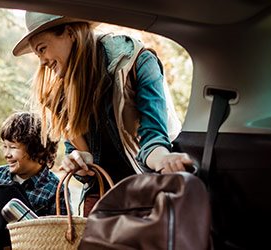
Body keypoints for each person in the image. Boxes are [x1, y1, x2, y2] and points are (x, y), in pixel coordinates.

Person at [12, 11, 194, 215]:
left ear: (70, 33)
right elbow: (80, 158)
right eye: (38, 56)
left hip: (145, 191)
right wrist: (77, 161)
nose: (43, 62)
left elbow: (154, 139)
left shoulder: (137, 62)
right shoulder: (60, 95)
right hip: (101, 198)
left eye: (42, 49)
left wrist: (164, 160)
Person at [0, 112, 66, 216]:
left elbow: (60, 230)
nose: (6, 154)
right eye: (5, 146)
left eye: (13, 147)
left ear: (39, 151)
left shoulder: (56, 191)